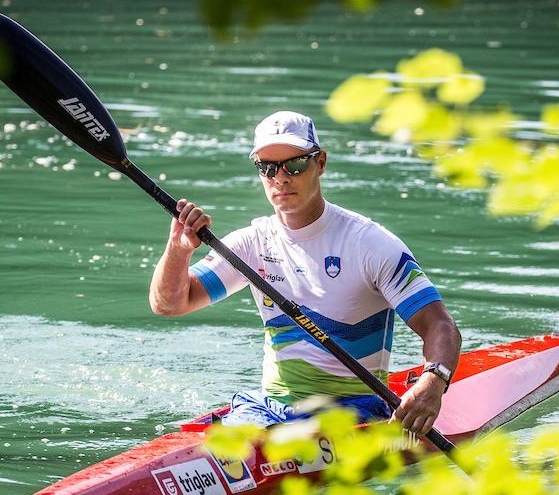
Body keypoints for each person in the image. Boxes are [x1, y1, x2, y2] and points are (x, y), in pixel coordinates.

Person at [149, 111, 461, 436]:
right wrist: (179, 249)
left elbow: (439, 324)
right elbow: (170, 304)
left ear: (320, 163)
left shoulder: (370, 244)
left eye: (294, 165)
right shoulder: (252, 243)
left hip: (352, 413)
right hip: (269, 409)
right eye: (267, 168)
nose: (280, 178)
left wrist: (433, 382)